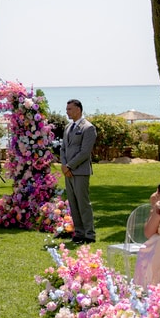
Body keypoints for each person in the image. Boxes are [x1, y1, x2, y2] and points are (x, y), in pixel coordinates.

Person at [60, 99, 97, 244]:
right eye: (66, 109)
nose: (67, 111)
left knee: (83, 203)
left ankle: (89, 234)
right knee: (73, 203)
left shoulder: (88, 128)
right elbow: (63, 148)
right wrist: (64, 166)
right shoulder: (68, 127)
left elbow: (85, 152)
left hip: (80, 171)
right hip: (68, 172)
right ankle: (79, 233)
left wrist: (69, 166)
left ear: (78, 110)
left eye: (69, 109)